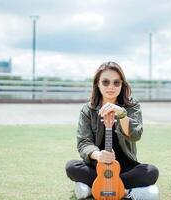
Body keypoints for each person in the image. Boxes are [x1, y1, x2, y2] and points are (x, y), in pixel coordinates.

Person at [65, 61, 159, 200]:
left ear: (122, 84)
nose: (111, 87)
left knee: (151, 172)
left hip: (125, 168)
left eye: (116, 83)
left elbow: (136, 135)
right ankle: (126, 191)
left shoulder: (132, 105)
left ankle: (95, 188)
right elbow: (84, 142)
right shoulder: (88, 109)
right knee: (72, 167)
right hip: (98, 167)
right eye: (106, 82)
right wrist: (97, 155)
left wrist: (121, 113)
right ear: (97, 83)